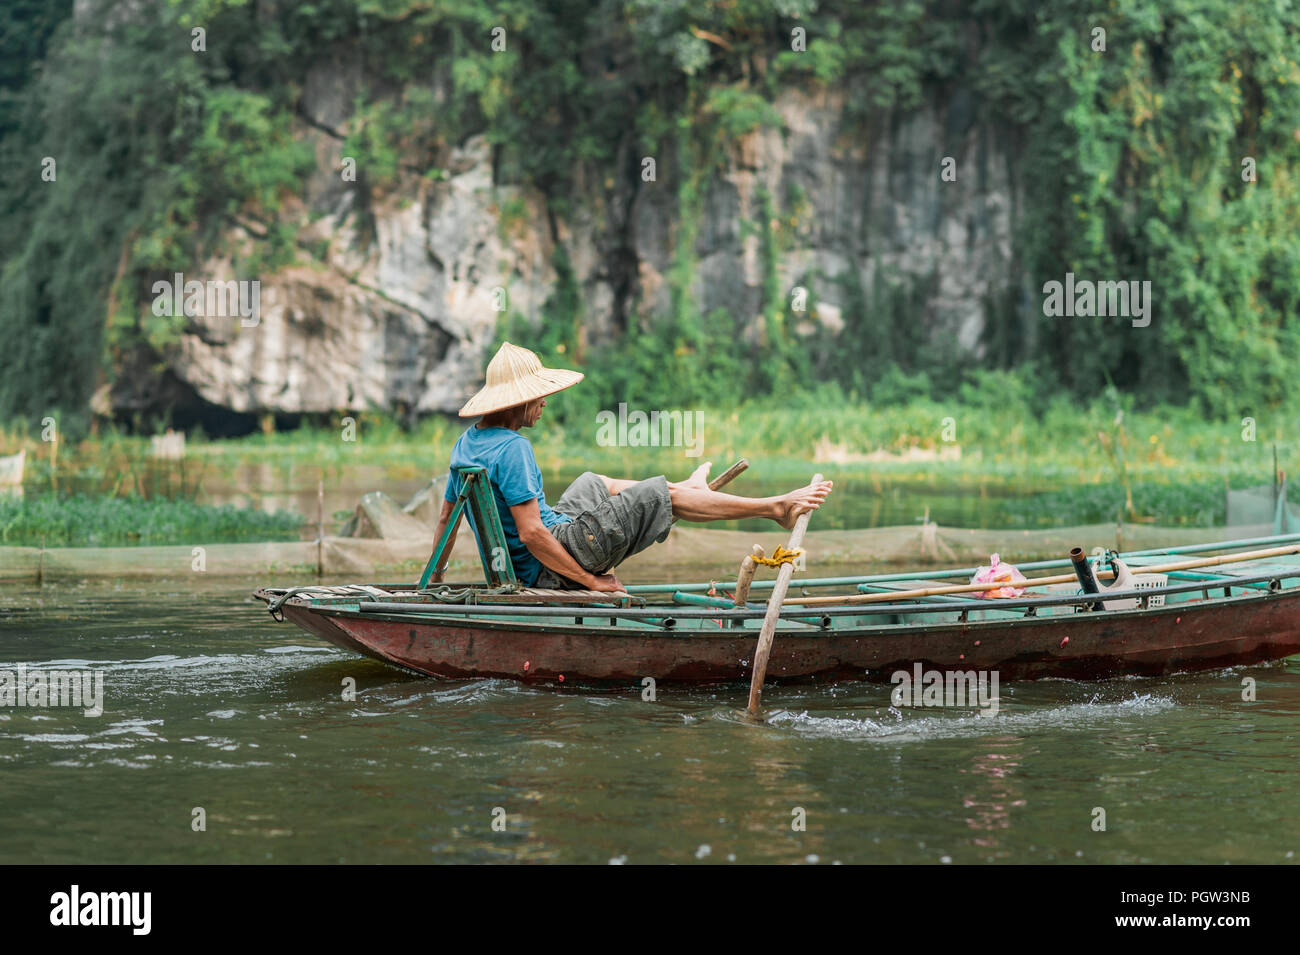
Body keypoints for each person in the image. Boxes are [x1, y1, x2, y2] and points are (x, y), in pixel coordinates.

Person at [429, 342, 833, 592]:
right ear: (518, 403)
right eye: (539, 397)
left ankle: (686, 489)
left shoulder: (465, 445)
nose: (544, 403)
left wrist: (434, 578)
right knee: (661, 495)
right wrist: (591, 582)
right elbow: (533, 533)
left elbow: (447, 516)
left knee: (593, 481)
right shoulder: (514, 448)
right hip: (552, 566)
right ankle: (774, 508)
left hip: (548, 545)